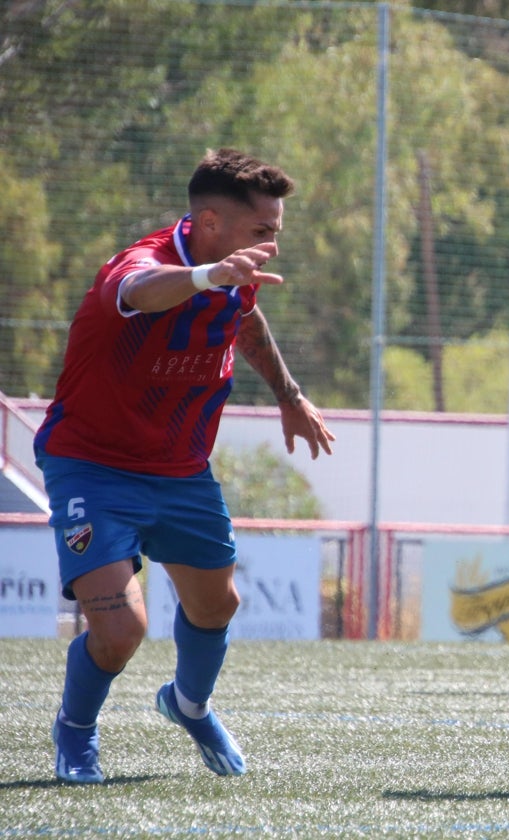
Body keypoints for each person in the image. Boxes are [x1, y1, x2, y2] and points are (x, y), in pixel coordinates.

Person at [34, 148, 335, 784]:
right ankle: (76, 734)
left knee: (217, 606)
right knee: (121, 631)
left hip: (180, 470)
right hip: (91, 466)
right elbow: (140, 294)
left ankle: (188, 705)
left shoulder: (236, 270)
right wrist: (209, 276)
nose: (272, 244)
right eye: (264, 231)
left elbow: (243, 320)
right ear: (208, 221)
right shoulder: (141, 264)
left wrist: (291, 396)